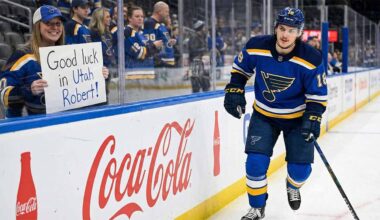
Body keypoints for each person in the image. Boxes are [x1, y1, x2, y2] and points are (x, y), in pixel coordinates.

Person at [223, 7, 327, 219]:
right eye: (282, 28)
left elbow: (317, 96)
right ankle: (257, 208)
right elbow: (240, 70)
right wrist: (235, 89)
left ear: (299, 33)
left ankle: (293, 185)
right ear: (275, 28)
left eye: (291, 30)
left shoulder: (311, 59)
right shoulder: (256, 46)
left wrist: (313, 118)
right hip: (264, 115)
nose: (285, 34)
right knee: (254, 164)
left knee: (300, 171)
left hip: (297, 120)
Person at [0, 5, 109, 118]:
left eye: (58, 24)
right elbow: (3, 94)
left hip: (65, 122)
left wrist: (97, 74)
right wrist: (29, 90)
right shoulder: (22, 56)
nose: (55, 28)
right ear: (37, 26)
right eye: (48, 23)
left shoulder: (69, 54)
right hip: (31, 127)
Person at [124, 5, 162, 71]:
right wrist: (154, 45)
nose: (140, 18)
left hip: (147, 73)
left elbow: (150, 53)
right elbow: (140, 54)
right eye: (137, 16)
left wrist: (157, 47)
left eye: (142, 16)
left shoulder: (141, 33)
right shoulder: (127, 32)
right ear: (129, 18)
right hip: (134, 74)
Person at [89, 7, 114, 100]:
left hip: (109, 70)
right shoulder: (93, 33)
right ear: (100, 18)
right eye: (107, 17)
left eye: (110, 16)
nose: (110, 18)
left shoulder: (107, 33)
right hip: (99, 73)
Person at [143, 1, 173, 68]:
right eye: (166, 11)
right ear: (159, 12)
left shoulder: (160, 25)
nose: (168, 14)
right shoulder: (150, 23)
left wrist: (168, 27)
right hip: (156, 66)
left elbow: (166, 43)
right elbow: (150, 46)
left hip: (163, 64)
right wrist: (160, 63)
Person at [188, 20, 210, 93]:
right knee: (195, 84)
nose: (205, 29)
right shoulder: (194, 37)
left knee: (206, 83)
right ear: (200, 28)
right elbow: (192, 50)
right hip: (195, 62)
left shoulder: (202, 37)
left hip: (203, 61)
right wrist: (204, 50)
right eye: (204, 27)